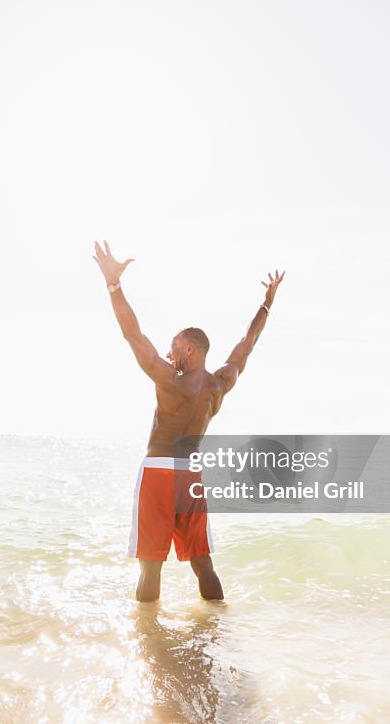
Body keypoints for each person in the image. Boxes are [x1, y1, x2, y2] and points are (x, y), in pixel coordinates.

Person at [92, 239, 284, 602]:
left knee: (150, 565)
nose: (168, 351)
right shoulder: (220, 384)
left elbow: (132, 333)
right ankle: (217, 633)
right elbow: (247, 343)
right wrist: (266, 305)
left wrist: (113, 285)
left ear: (190, 349)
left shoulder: (169, 380)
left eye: (174, 345)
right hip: (190, 477)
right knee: (203, 563)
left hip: (160, 471)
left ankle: (149, 644)